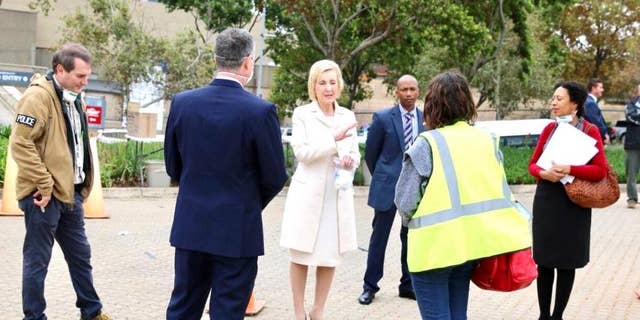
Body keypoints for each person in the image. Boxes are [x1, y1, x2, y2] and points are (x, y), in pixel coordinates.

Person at [164, 28, 288, 320]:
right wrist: (246, 202)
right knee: (229, 311)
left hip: (191, 224)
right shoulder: (260, 111)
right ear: (248, 62)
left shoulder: (182, 102)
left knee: (182, 307)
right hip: (237, 229)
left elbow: (173, 166)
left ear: (216, 58)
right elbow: (274, 175)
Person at [395, 70, 531, 320]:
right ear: (467, 103)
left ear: (432, 105)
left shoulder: (427, 143)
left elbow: (404, 203)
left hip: (432, 251)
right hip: (469, 247)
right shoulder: (486, 141)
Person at [10, 43, 111, 320]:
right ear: (59, 70)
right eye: (80, 76)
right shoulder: (37, 98)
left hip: (71, 194)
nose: (85, 81)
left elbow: (74, 145)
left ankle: (92, 311)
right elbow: (20, 144)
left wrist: (83, 185)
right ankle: (34, 317)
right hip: (43, 196)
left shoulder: (75, 96)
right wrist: (44, 182)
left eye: (87, 75)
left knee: (81, 257)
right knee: (37, 261)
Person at [279, 59, 360, 320]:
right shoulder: (303, 114)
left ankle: (318, 310)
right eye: (322, 82)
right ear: (313, 86)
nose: (328, 88)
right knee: (301, 254)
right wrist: (333, 141)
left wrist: (349, 162)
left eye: (332, 82)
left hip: (335, 196)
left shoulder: (347, 116)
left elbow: (354, 155)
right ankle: (298, 310)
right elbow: (303, 153)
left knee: (329, 257)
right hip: (307, 196)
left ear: (340, 86)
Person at [528, 81, 607, 320]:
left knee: (566, 263)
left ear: (575, 104)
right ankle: (543, 315)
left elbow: (599, 170)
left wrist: (570, 168)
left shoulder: (589, 131)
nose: (553, 102)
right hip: (547, 201)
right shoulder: (549, 130)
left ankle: (557, 316)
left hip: (574, 205)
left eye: (559, 98)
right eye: (553, 98)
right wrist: (545, 173)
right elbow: (532, 165)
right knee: (544, 263)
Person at [358, 75, 423, 305]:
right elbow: (371, 154)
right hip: (387, 187)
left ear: (418, 91)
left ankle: (407, 285)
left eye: (412, 89)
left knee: (411, 238)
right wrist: (384, 177)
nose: (408, 93)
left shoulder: (426, 118)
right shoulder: (383, 117)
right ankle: (370, 286)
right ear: (396, 92)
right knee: (379, 239)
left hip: (415, 189)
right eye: (403, 89)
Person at [624, 84, 640, 209]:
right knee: (631, 173)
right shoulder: (631, 105)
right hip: (633, 144)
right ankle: (632, 198)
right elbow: (630, 117)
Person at [584, 78, 610, 144]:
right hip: (593, 139)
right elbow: (596, 122)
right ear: (593, 88)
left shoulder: (588, 100)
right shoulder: (590, 103)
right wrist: (604, 135)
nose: (602, 90)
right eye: (600, 87)